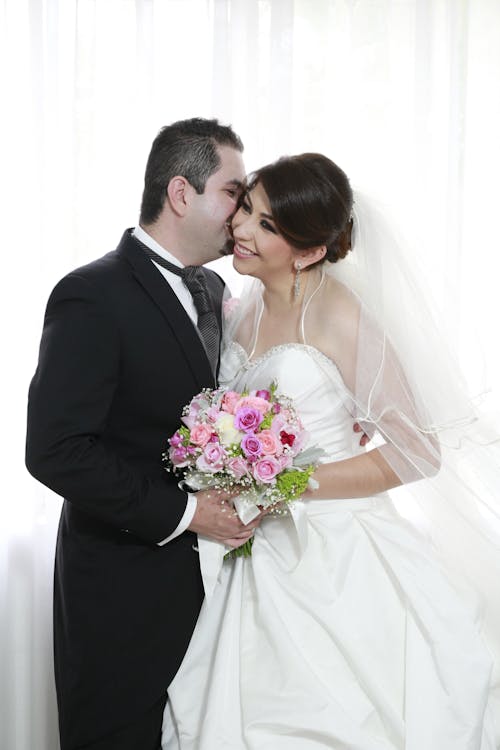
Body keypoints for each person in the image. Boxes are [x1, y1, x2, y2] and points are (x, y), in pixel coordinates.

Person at [163, 153, 500, 748]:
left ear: (310, 250)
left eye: (267, 225)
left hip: (338, 556)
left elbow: (418, 451)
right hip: (254, 555)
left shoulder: (341, 316)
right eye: (246, 208)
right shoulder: (238, 311)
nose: (240, 228)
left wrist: (285, 483)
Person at [25, 117, 263, 750]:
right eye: (234, 191)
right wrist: (188, 514)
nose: (243, 210)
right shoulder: (91, 294)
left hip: (214, 587)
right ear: (181, 193)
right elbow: (56, 448)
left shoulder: (217, 289)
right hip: (120, 588)